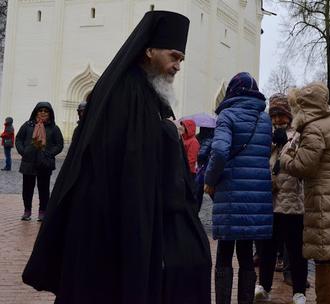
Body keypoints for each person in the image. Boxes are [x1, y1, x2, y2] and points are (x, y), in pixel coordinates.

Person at [22, 11, 211, 304]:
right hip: (109, 223)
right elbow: (131, 164)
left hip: (122, 216)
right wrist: (167, 135)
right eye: (174, 56)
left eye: (181, 60)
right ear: (149, 51)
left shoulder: (143, 91)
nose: (177, 66)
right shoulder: (128, 93)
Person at [280, 82, 330, 304]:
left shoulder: (314, 127)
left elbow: (304, 167)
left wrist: (285, 157)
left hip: (324, 199)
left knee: (324, 258)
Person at [204, 72, 273, 304]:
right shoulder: (264, 120)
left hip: (231, 193)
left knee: (224, 253)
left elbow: (220, 152)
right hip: (256, 196)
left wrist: (210, 180)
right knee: (245, 253)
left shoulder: (227, 115)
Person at [254, 93, 308, 304]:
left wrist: (286, 145)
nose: (278, 120)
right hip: (271, 201)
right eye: (274, 115)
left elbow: (302, 163)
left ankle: (299, 291)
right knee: (267, 249)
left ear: (289, 115)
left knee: (296, 251)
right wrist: (271, 144)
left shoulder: (299, 134)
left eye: (281, 115)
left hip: (293, 201)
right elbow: (259, 159)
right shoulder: (266, 134)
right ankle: (263, 286)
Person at [15, 102, 64, 221]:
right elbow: (19, 139)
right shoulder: (27, 125)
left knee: (43, 189)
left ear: (50, 113)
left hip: (44, 163)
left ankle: (42, 211)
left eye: (46, 111)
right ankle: (27, 210)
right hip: (28, 162)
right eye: (40, 110)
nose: (43, 112)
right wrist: (24, 151)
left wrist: (49, 154)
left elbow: (59, 144)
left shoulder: (54, 128)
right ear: (36, 111)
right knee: (27, 188)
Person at [195, 126, 214, 211]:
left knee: (198, 193)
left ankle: (195, 213)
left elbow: (201, 154)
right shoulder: (212, 138)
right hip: (206, 168)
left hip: (201, 168)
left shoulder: (199, 137)